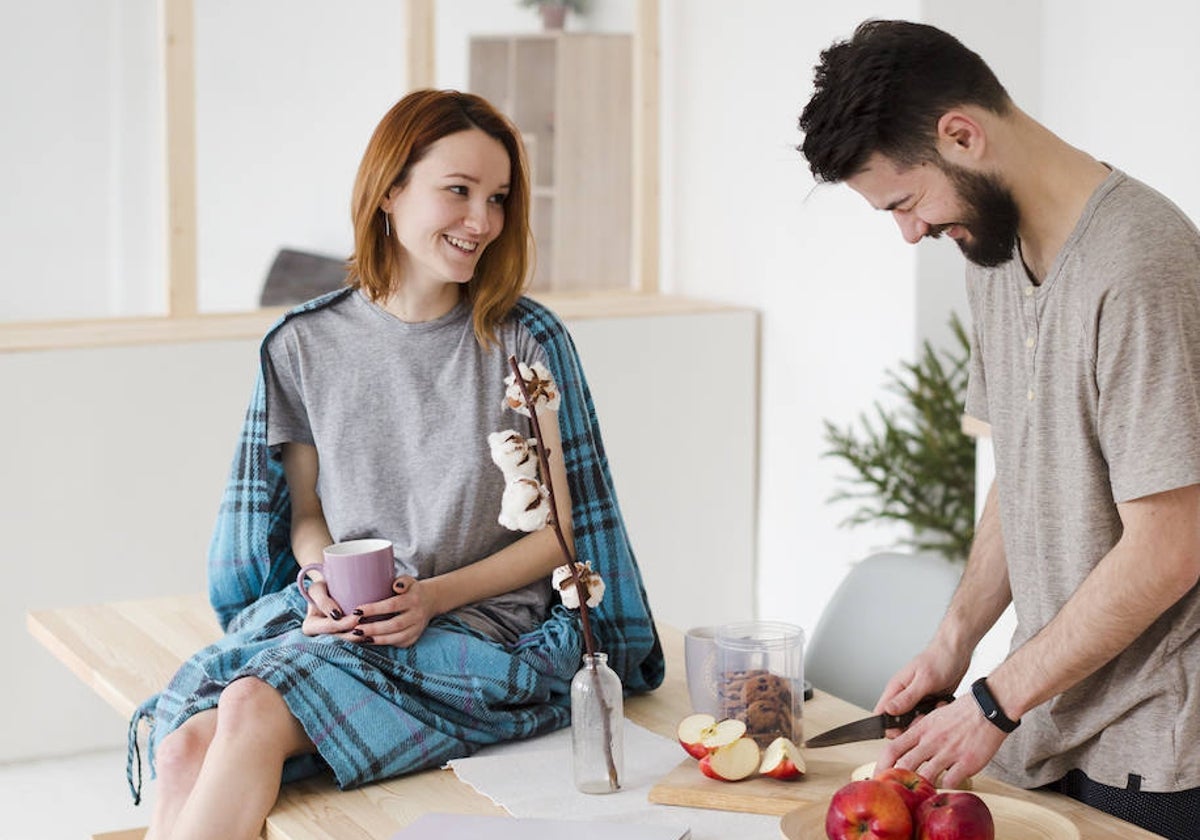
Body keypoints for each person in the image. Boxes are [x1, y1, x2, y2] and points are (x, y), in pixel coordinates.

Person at [126, 89, 664, 840]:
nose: (483, 220)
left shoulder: (525, 342)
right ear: (390, 190)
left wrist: (432, 598)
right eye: (458, 190)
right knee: (182, 745)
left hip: (483, 632)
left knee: (246, 707)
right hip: (355, 627)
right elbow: (308, 515)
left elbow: (564, 535)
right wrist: (317, 579)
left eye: (498, 197)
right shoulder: (302, 346)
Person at [798, 19, 1200, 839]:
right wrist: (953, 644)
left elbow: (1176, 540)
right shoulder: (990, 251)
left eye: (905, 203)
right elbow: (1025, 474)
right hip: (1046, 728)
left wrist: (995, 698)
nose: (909, 233)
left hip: (1154, 755)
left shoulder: (1139, 266)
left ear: (962, 135)